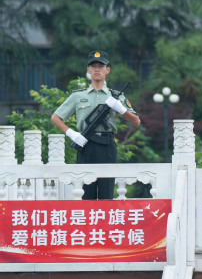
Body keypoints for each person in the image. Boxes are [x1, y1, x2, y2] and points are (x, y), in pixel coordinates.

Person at [51, 51, 140, 200]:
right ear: (88, 70)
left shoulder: (116, 96)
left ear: (107, 70)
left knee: (106, 194)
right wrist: (72, 134)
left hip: (107, 146)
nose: (97, 69)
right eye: (93, 66)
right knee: (87, 194)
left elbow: (136, 121)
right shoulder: (78, 96)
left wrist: (121, 109)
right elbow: (55, 117)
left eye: (101, 66)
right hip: (85, 144)